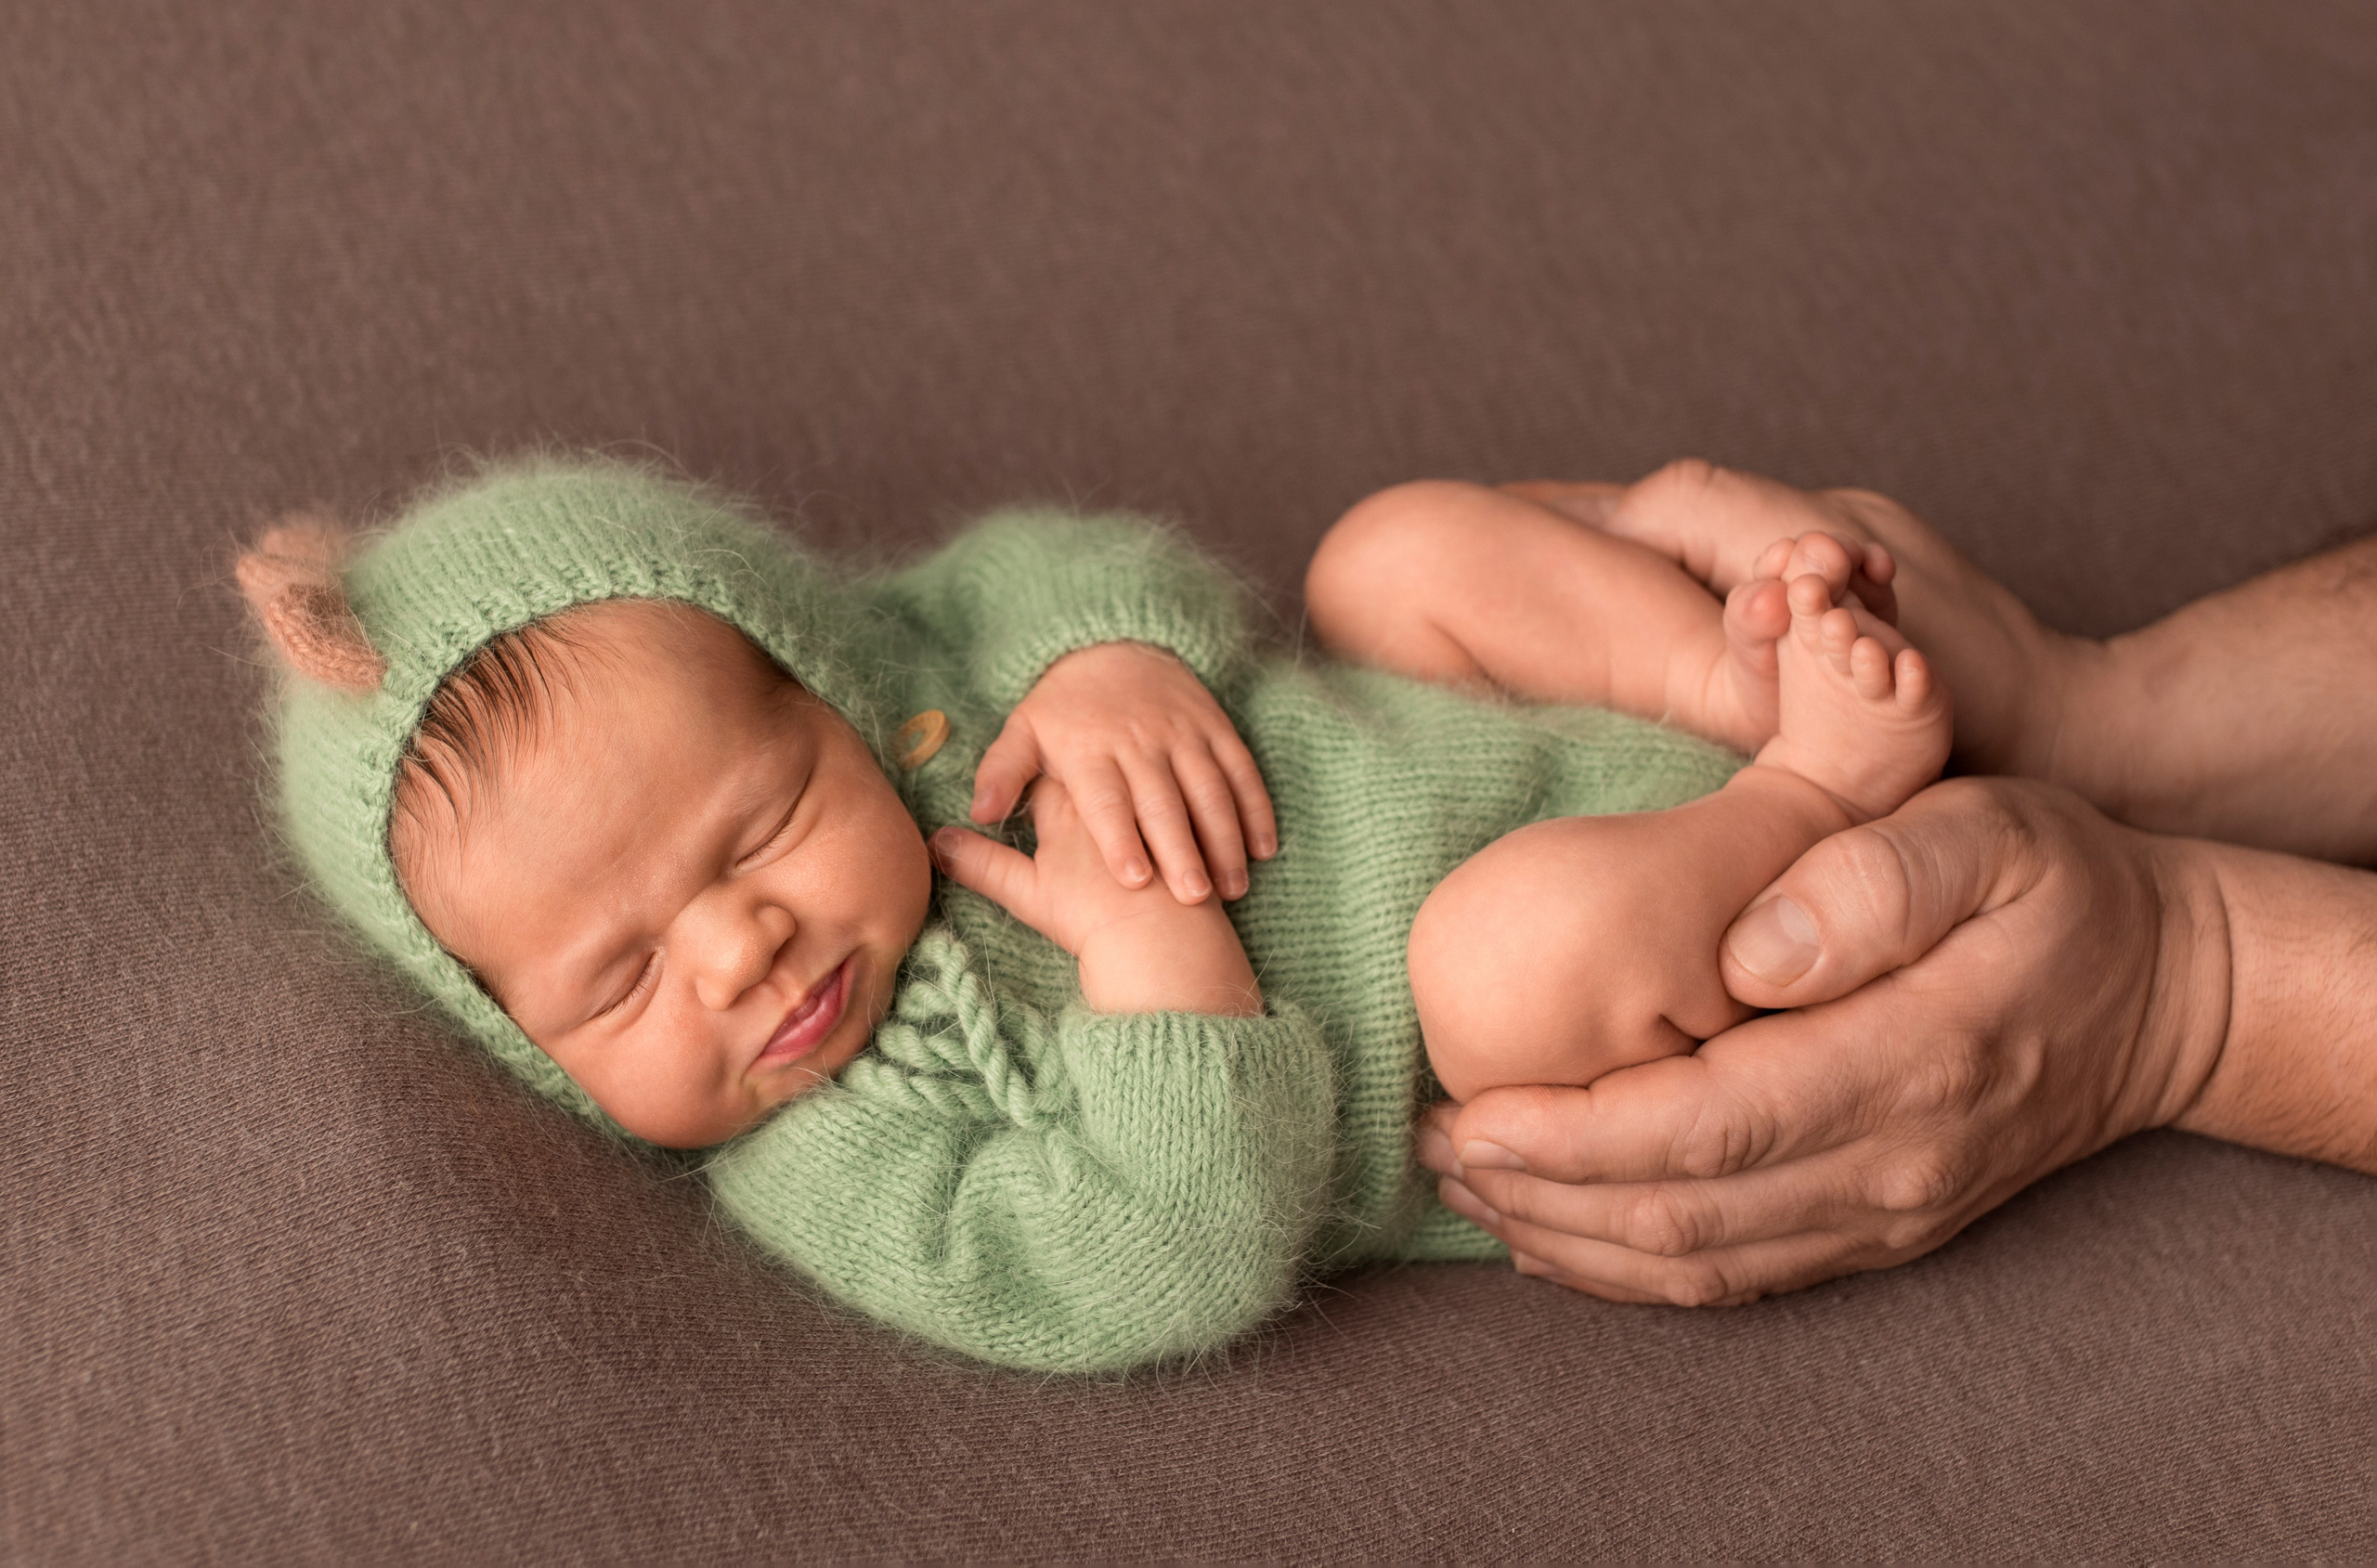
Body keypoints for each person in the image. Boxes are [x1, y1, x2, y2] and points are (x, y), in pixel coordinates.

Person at [238, 455, 1940, 1373]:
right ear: (520, 1041)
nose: (734, 949)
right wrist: (1156, 967)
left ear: (823, 681)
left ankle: (1715, 682)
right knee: (1501, 960)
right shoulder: (834, 1154)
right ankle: (1820, 796)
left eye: (758, 828)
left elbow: (1045, 554)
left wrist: (1110, 654)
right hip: (1575, 1002)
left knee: (1387, 551)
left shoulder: (913, 671)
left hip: (1485, 751)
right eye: (618, 981)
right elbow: (1143, 1272)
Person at [1416, 460, 2377, 1305]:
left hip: (1464, 802)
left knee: (1402, 553)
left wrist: (2199, 986)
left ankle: (1773, 744)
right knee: (1496, 961)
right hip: (1523, 940)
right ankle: (1774, 745)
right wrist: (2084, 716)